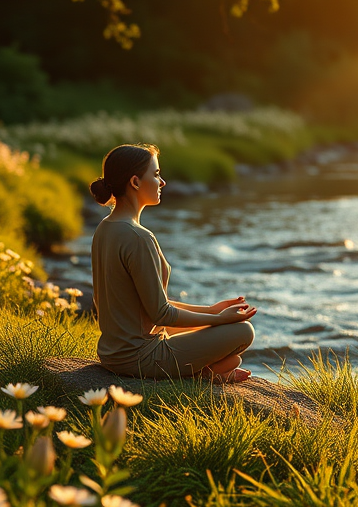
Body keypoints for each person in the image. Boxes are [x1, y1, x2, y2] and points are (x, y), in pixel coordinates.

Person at [88, 143, 256, 382]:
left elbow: (150, 306)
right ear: (135, 182)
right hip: (141, 358)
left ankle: (205, 371)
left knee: (230, 355)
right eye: (156, 174)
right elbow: (161, 314)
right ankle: (201, 375)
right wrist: (220, 319)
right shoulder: (138, 237)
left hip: (113, 355)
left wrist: (210, 311)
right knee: (242, 332)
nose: (162, 182)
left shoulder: (105, 228)